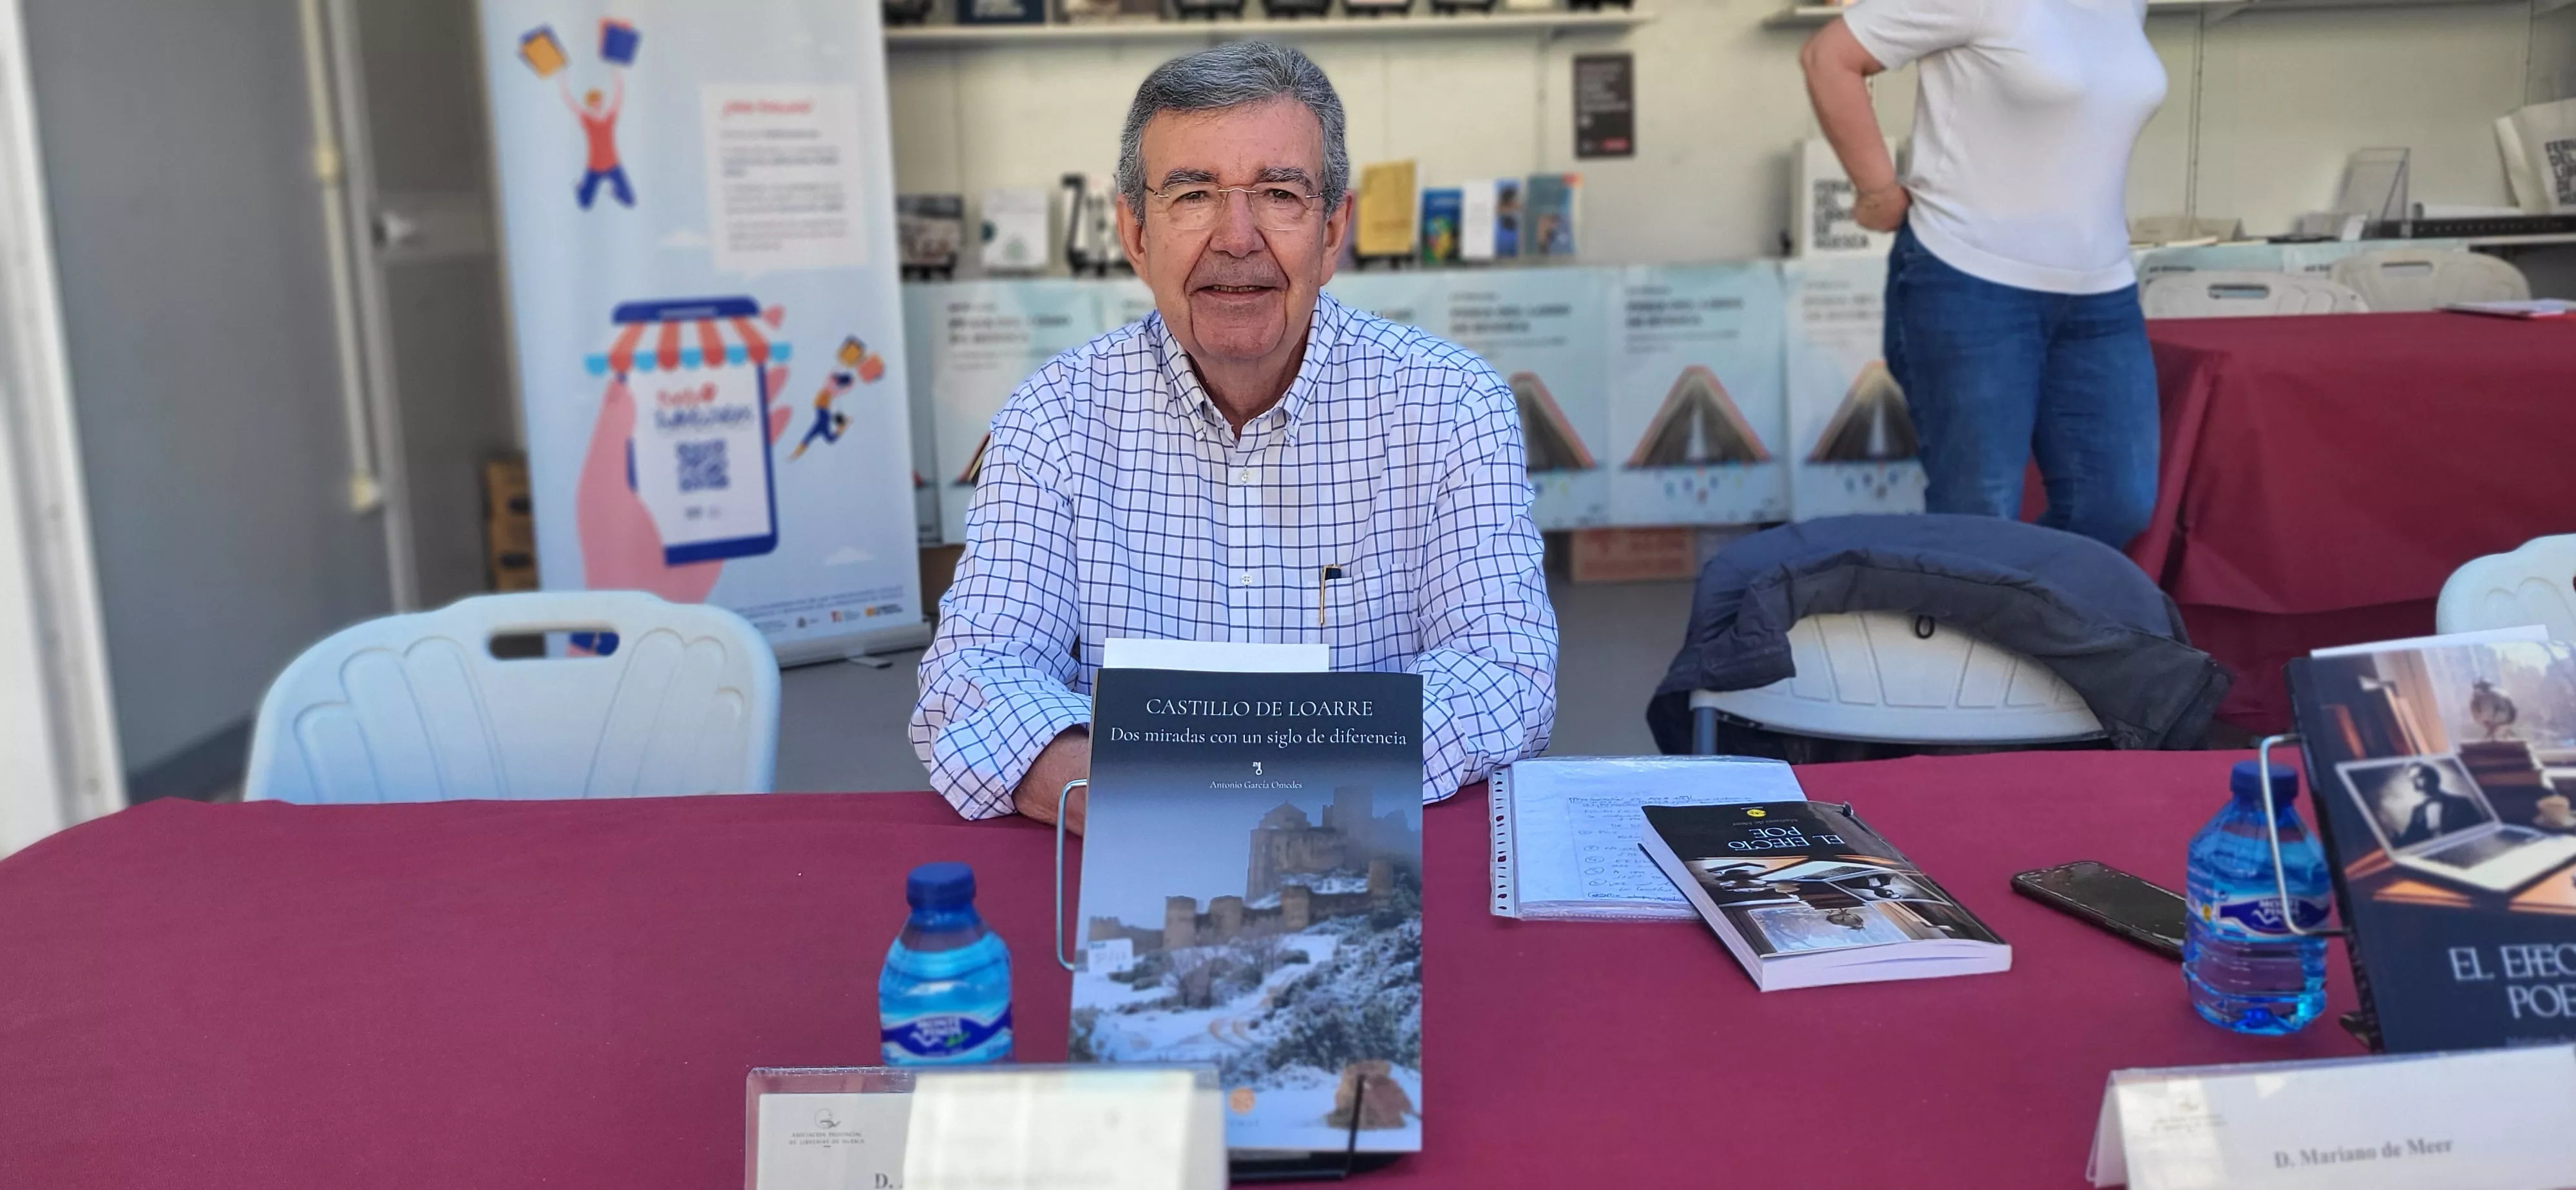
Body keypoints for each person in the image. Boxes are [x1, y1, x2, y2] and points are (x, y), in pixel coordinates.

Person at [910, 42, 1557, 831]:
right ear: (1135, 232)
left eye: (1280, 193)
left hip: (1378, 864)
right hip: (1126, 857)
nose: (1237, 236)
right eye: (1192, 195)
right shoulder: (1054, 416)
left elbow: (1505, 672)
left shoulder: (1451, 403)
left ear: (1332, 229)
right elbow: (972, 677)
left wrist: (1257, 788)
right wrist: (1157, 797)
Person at [1800, 0, 2168, 549]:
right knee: (1978, 518)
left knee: (2116, 505)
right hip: (1971, 280)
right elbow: (1828, 57)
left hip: (2101, 294)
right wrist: (1877, 190)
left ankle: (2022, 617)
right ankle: (1980, 620)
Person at [562, 73, 632, 209]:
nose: (597, 105)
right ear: (589, 105)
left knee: (629, 200)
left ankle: (613, 193)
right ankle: (579, 187)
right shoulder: (587, 120)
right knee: (585, 204)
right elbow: (571, 104)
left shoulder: (609, 118)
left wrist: (617, 77)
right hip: (594, 166)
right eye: (593, 103)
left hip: (612, 164)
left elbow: (618, 99)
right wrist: (562, 82)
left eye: (599, 102)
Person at [2391, 763, 2483, 849]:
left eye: (2419, 778)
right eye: (2412, 781)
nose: (2415, 786)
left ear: (2434, 779)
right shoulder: (2417, 811)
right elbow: (2409, 839)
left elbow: (2481, 833)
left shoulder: (2462, 803)